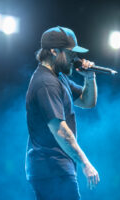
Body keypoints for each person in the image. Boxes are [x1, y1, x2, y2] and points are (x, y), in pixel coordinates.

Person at [25, 26, 100, 200]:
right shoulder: (46, 83)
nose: (76, 58)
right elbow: (60, 130)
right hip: (50, 169)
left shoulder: (59, 77)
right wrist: (85, 163)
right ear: (53, 51)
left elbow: (87, 102)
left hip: (56, 169)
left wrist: (90, 78)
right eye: (71, 54)